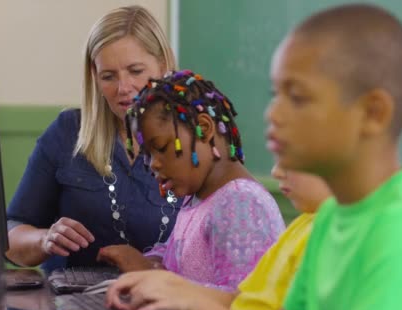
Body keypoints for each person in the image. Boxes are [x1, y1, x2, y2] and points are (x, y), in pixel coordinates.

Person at [161, 4, 402, 310]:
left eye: (297, 97)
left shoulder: (396, 230)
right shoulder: (330, 216)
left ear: (373, 113)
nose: (272, 113)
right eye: (275, 95)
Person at [5, 6, 180, 273]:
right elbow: (11, 231)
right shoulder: (67, 132)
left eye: (135, 71)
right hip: (70, 305)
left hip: (159, 306)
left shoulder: (194, 145)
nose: (123, 88)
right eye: (108, 76)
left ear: (164, 66)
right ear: (94, 77)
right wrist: (43, 239)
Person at [97, 70, 284, 291]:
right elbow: (174, 256)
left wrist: (150, 275)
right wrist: (149, 262)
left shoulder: (241, 203)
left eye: (161, 149)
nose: (153, 164)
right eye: (148, 155)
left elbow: (241, 305)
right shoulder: (197, 198)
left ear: (204, 129)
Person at [104, 163, 331, 310]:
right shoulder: (304, 225)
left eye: (294, 156)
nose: (276, 171)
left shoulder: (242, 200)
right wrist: (170, 286)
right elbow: (241, 300)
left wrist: (192, 303)